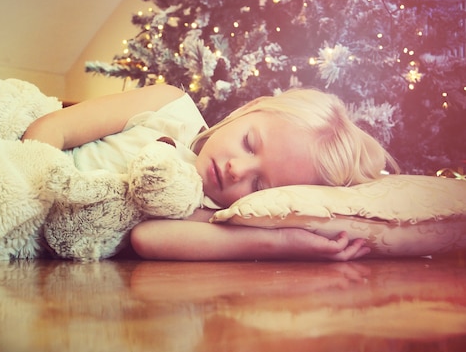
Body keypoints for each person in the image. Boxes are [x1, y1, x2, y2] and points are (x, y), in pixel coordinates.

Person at [23, 83, 398, 262]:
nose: (238, 169)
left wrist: (283, 243)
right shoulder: (168, 105)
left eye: (259, 184)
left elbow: (148, 238)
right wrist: (23, 187)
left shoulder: (216, 211)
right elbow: (55, 127)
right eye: (250, 143)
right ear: (249, 110)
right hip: (23, 177)